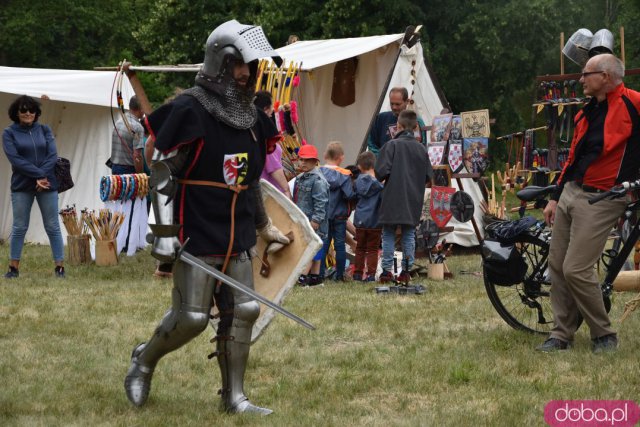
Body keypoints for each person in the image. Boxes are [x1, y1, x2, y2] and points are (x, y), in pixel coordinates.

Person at [124, 20, 291, 415]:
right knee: (193, 317)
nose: (247, 73)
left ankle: (234, 397)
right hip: (197, 227)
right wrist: (165, 234)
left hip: (237, 231)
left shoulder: (253, 119)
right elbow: (163, 174)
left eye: (250, 66)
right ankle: (144, 360)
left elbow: (249, 181)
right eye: (239, 65)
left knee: (245, 311)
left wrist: (264, 226)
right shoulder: (190, 109)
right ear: (220, 61)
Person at [538, 54, 640, 353]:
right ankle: (561, 335)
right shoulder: (588, 111)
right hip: (572, 191)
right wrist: (556, 196)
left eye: (586, 74)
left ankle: (603, 333)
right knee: (557, 265)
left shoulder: (634, 103)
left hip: (604, 197)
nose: (581, 79)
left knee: (575, 269)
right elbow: (572, 157)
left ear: (605, 76)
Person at [2, 95, 65, 278]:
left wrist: (42, 177)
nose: (28, 113)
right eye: (23, 110)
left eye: (31, 110)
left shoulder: (45, 129)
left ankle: (59, 267)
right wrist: (38, 176)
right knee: (19, 227)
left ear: (36, 113)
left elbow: (52, 155)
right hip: (22, 185)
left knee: (53, 226)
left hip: (47, 184)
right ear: (16, 113)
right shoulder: (9, 133)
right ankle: (13, 268)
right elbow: (15, 160)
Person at [375, 110, 433, 283]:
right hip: (412, 197)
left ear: (398, 126)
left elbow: (380, 173)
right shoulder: (421, 149)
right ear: (416, 127)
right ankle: (406, 272)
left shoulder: (391, 145)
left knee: (388, 233)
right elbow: (427, 177)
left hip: (392, 195)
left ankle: (386, 272)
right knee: (408, 233)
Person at [292, 144, 329, 287]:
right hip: (303, 220)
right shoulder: (300, 178)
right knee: (314, 250)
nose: (303, 163)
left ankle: (303, 277)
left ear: (315, 162)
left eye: (307, 160)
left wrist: (316, 221)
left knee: (310, 250)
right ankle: (314, 277)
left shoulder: (318, 180)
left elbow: (321, 203)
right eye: (301, 159)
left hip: (314, 223)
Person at [319, 141, 355, 281]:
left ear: (325, 155)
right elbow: (349, 195)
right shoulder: (345, 175)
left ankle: (320, 274)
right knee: (340, 245)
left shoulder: (318, 172)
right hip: (340, 215)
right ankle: (339, 276)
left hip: (323, 214)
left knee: (324, 244)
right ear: (341, 158)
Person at [367, 87, 427, 156]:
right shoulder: (381, 118)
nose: (394, 107)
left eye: (397, 104)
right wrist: (383, 157)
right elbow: (371, 144)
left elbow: (421, 147)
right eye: (392, 104)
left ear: (407, 102)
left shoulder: (415, 120)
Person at [352, 151, 383, 282]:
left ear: (359, 166)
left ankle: (357, 274)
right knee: (372, 249)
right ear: (374, 165)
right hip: (375, 221)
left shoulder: (356, 183)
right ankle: (370, 275)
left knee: (359, 248)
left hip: (360, 221)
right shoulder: (379, 186)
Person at [255, 91, 292, 198]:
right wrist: (286, 190)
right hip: (271, 194)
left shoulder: (253, 132)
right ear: (266, 109)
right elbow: (274, 168)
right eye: (271, 107)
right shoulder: (266, 137)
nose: (273, 110)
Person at [110, 95, 145, 175]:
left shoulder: (118, 122)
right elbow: (137, 156)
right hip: (128, 170)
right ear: (140, 109)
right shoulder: (138, 127)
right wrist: (141, 176)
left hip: (115, 167)